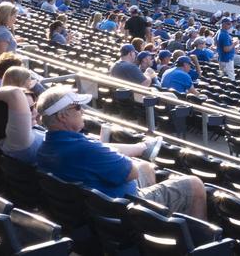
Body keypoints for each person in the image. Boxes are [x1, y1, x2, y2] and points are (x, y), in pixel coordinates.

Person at [35, 86, 206, 219]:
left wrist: (137, 148)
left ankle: (155, 221)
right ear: (62, 116)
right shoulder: (85, 149)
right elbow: (131, 172)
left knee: (146, 167)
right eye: (78, 107)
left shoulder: (45, 148)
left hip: (96, 208)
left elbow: (97, 153)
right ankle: (203, 239)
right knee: (195, 184)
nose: (83, 111)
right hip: (123, 209)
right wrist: (126, 154)